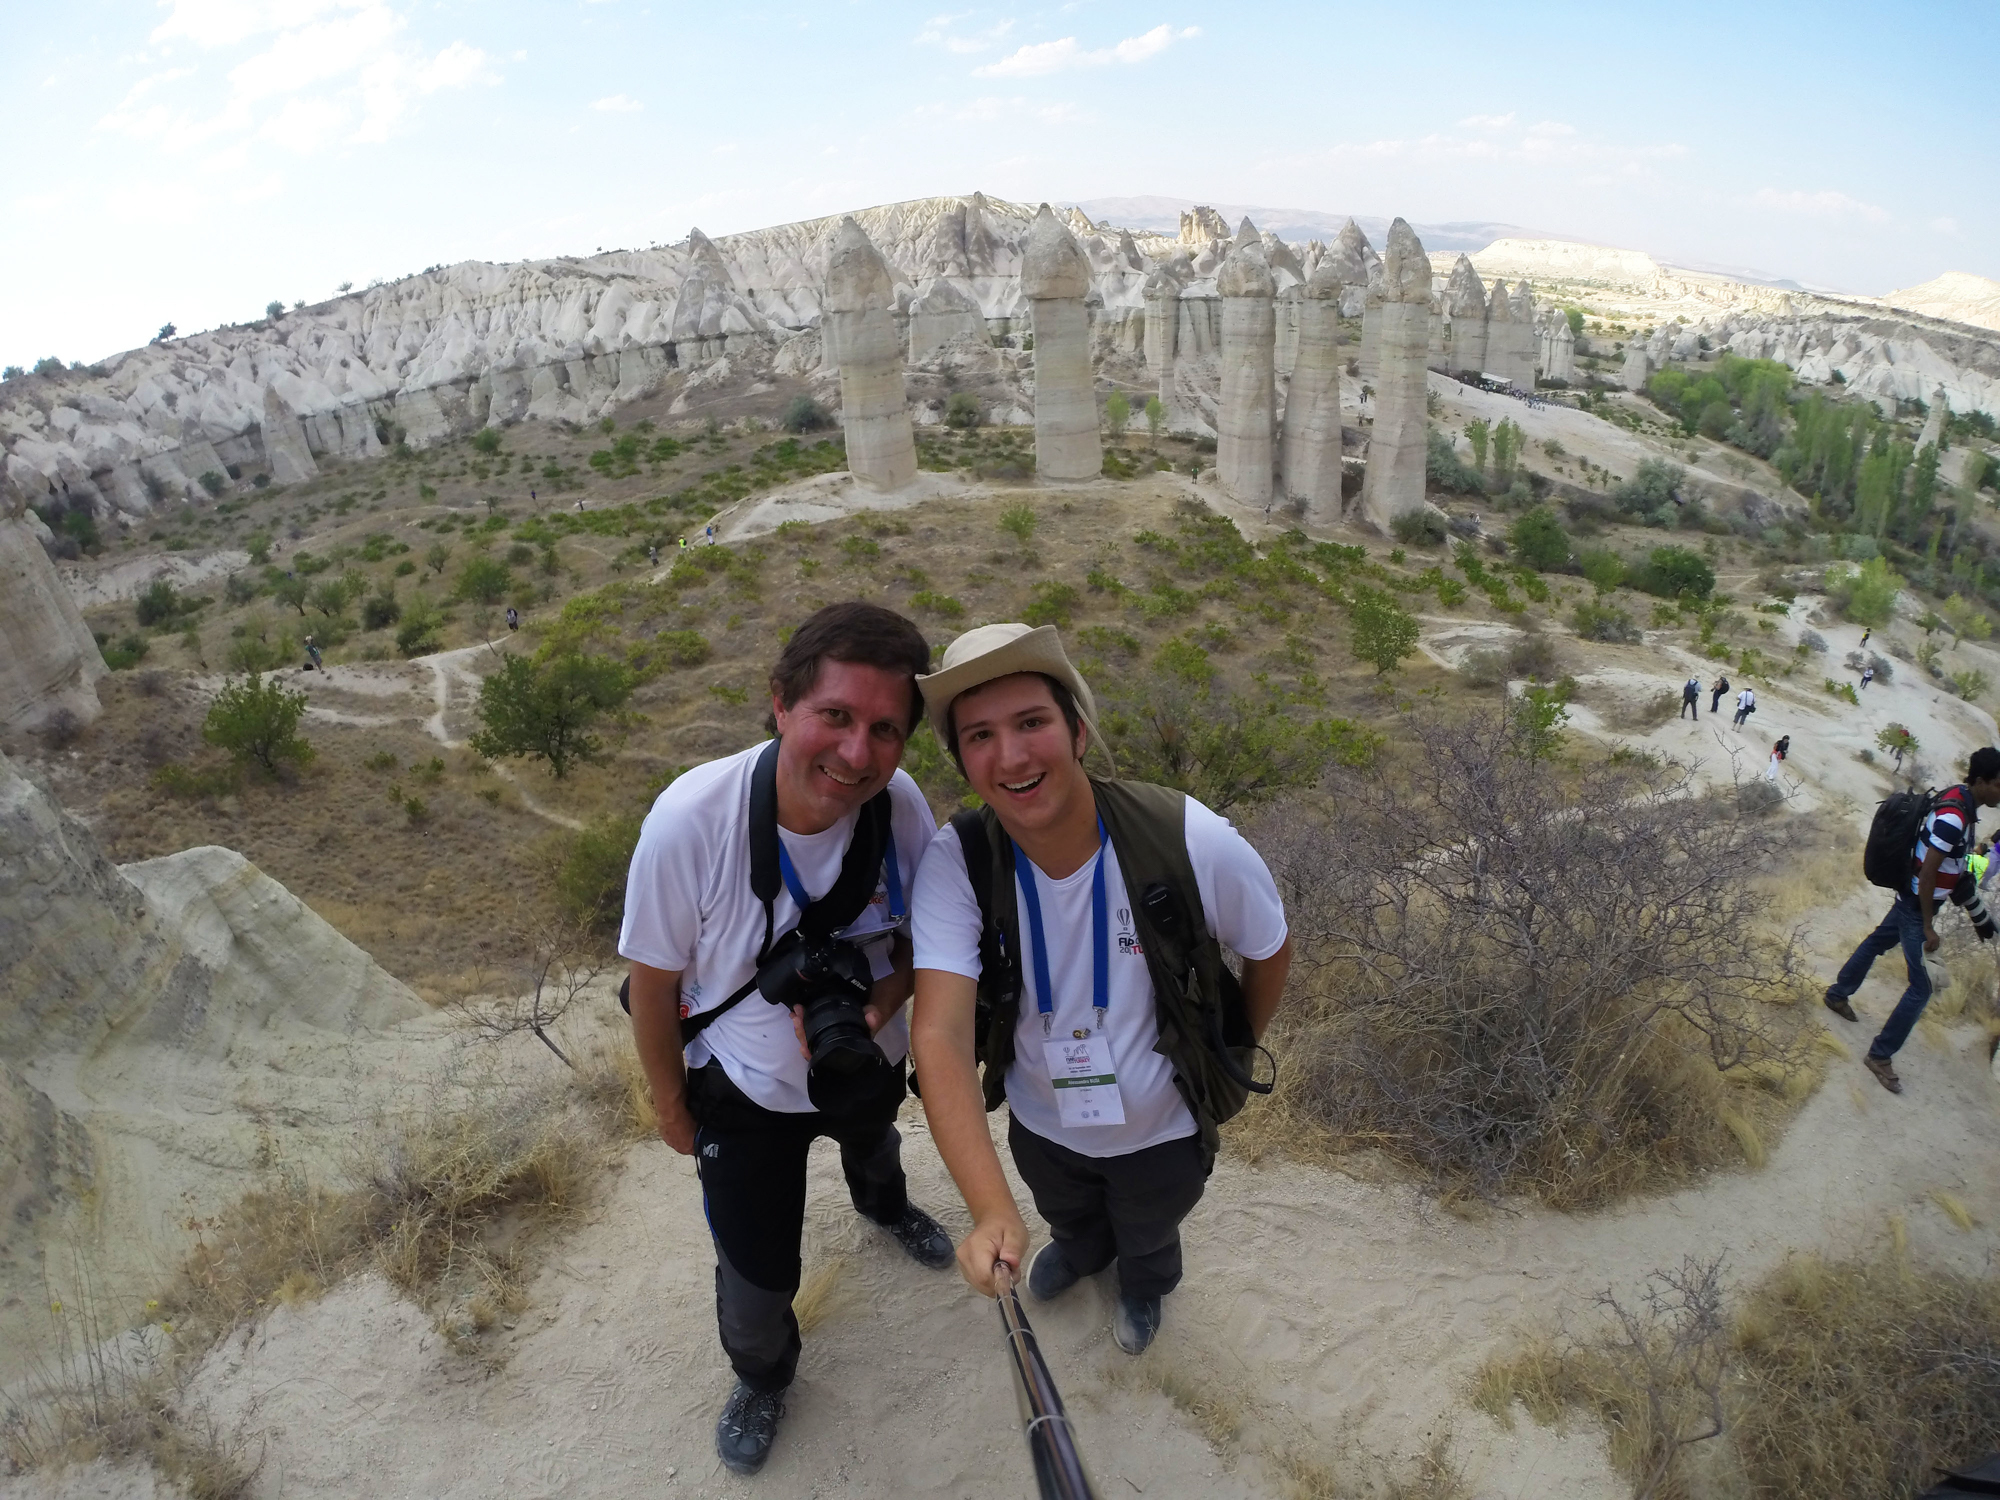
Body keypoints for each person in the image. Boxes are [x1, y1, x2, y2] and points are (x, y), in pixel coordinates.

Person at [619, 603, 955, 1475]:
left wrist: (880, 1006)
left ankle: (884, 1207)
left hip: (862, 1058)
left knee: (875, 1145)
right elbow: (652, 986)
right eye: (834, 715)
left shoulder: (899, 810)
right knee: (756, 1272)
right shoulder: (692, 821)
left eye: (885, 729)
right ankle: (762, 1375)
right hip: (744, 1088)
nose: (856, 752)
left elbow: (922, 943)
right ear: (780, 702)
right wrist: (671, 1107)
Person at [908, 624, 1292, 1357]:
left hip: (1164, 1131)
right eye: (981, 735)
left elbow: (1268, 947)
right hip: (1041, 1123)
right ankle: (1081, 1251)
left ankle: (1144, 1286)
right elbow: (940, 1033)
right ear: (962, 760)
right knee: (1069, 1214)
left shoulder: (1188, 838)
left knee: (1150, 1233)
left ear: (1078, 731)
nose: (1011, 756)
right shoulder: (959, 863)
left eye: (1032, 722)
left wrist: (1231, 1049)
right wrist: (992, 1210)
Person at [1824, 747, 2000, 1093]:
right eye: (1998, 785)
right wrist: (1928, 925)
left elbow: (1952, 867)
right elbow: (1930, 870)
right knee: (1923, 987)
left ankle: (1837, 994)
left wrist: (1976, 913)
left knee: (1877, 941)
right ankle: (1880, 1055)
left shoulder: (1961, 799)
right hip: (1918, 905)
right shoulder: (1956, 817)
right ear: (1981, 781)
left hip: (1913, 898)